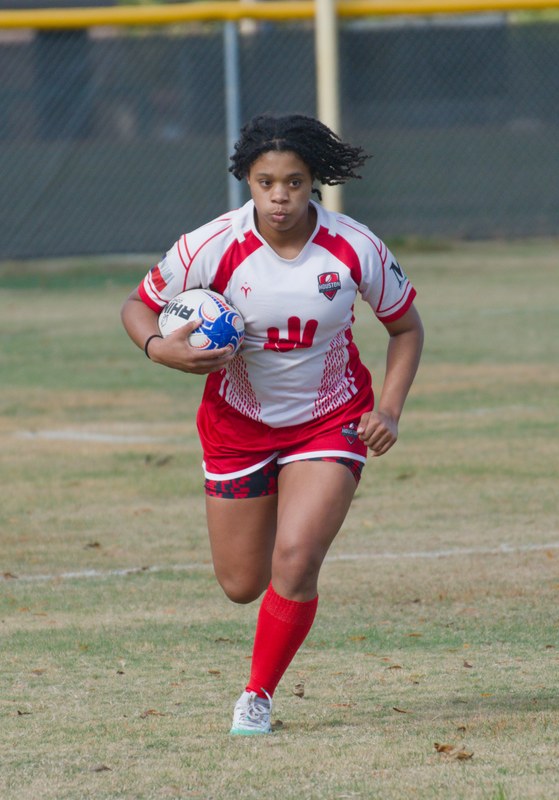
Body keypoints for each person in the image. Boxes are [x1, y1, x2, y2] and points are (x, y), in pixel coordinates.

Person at [121, 114, 424, 735]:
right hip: (237, 427)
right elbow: (137, 305)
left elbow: (406, 327)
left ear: (314, 182)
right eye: (265, 182)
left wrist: (388, 409)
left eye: (294, 181)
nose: (279, 196)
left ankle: (257, 696)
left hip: (331, 419)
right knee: (241, 584)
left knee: (296, 557)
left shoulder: (354, 247)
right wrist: (160, 347)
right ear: (247, 181)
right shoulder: (212, 243)